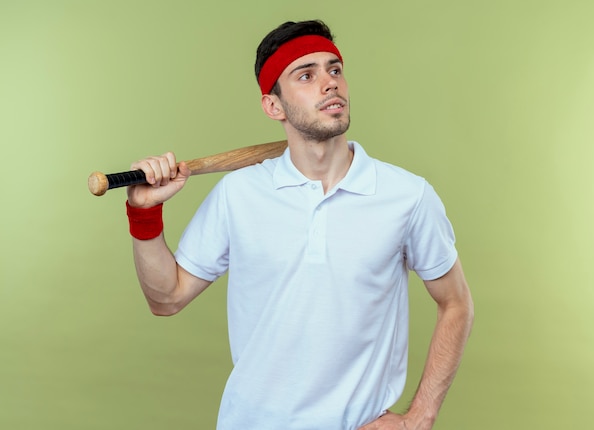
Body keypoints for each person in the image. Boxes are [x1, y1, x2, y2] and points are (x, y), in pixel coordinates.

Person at [125, 20, 474, 430]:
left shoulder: (407, 196)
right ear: (274, 106)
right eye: (306, 75)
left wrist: (420, 416)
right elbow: (166, 299)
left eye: (335, 70)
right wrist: (144, 213)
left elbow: (456, 303)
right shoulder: (238, 193)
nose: (329, 84)